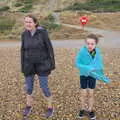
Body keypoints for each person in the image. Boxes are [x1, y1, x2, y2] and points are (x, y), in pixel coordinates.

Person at [21, 15, 55, 118]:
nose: (28, 24)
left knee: (44, 88)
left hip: (42, 64)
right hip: (29, 64)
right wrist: (23, 65)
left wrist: (51, 64)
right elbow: (23, 50)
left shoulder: (43, 33)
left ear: (35, 23)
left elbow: (50, 48)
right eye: (26, 22)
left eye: (30, 22)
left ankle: (50, 108)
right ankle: (28, 106)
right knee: (29, 87)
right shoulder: (24, 34)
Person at [75, 34, 110, 120]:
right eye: (88, 43)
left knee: (91, 94)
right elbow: (77, 63)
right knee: (83, 93)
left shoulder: (97, 53)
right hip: (83, 75)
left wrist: (101, 76)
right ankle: (82, 109)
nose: (90, 45)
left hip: (93, 75)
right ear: (85, 43)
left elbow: (99, 65)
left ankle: (90, 110)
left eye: (92, 44)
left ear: (96, 44)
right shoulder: (82, 52)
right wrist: (88, 68)